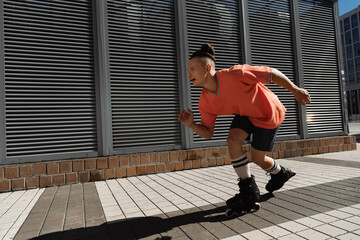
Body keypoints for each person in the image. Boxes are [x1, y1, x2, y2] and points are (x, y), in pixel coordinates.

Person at [178, 43, 311, 212]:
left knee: (258, 158)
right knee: (232, 140)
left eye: (192, 69)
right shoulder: (205, 102)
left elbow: (271, 73)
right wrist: (192, 124)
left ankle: (280, 173)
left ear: (207, 68)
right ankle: (248, 191)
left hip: (268, 113)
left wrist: (295, 89)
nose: (188, 74)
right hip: (245, 113)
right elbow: (208, 133)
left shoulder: (236, 74)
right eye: (188, 70)